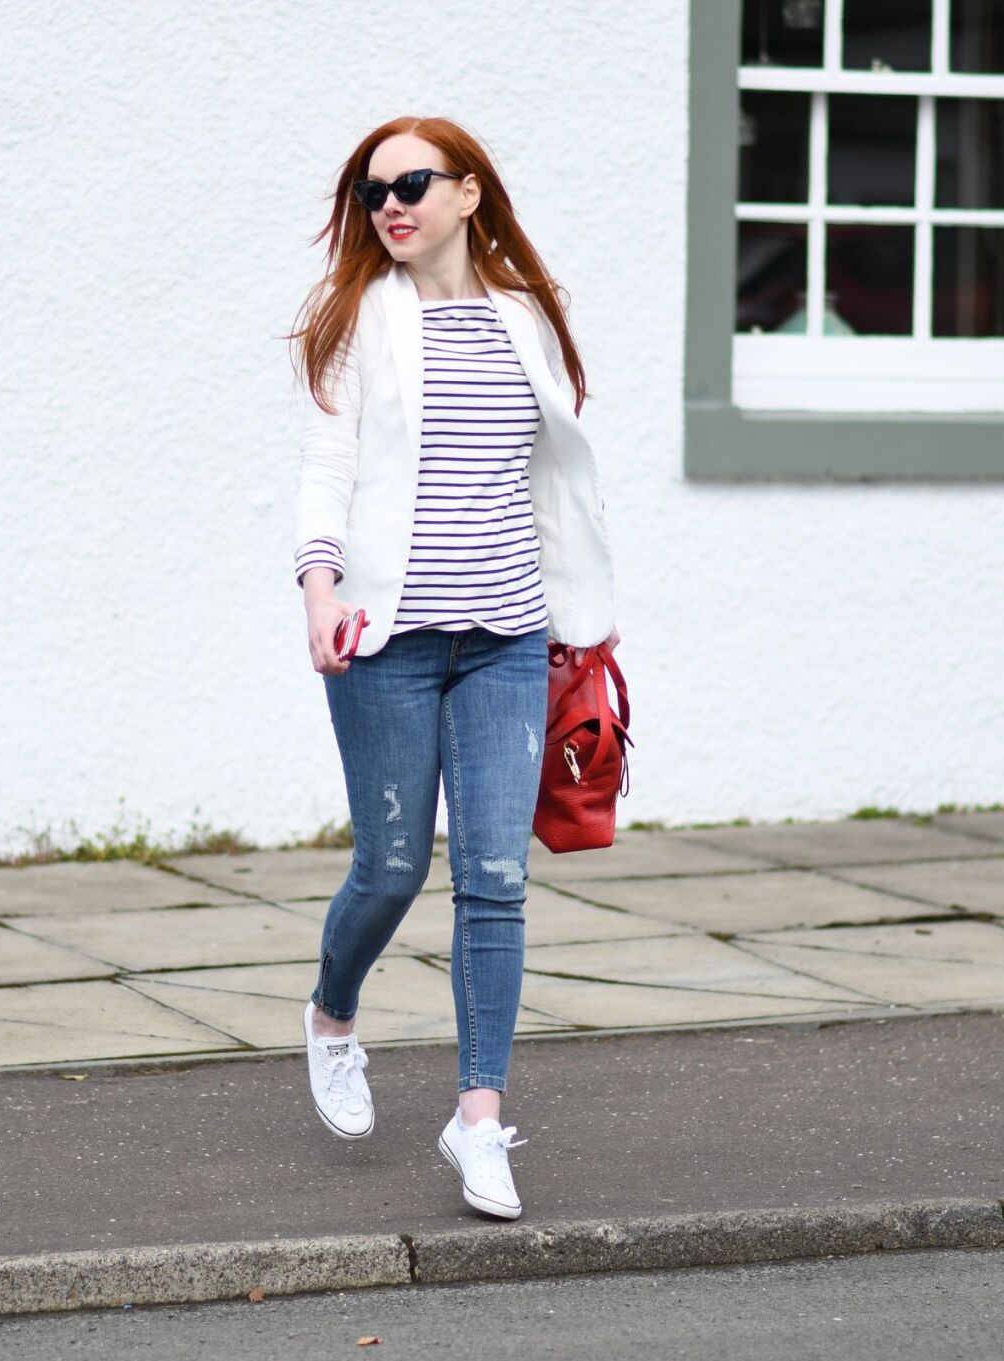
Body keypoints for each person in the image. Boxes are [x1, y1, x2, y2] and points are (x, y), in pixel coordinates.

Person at [290, 115, 618, 1220]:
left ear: (469, 194)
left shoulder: (529, 317)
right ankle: (333, 1012)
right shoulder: (359, 320)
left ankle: (479, 1119)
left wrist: (587, 625)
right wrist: (319, 586)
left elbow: (562, 479)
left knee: (496, 877)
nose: (392, 203)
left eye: (413, 182)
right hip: (387, 640)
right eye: (374, 189)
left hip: (509, 641)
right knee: (389, 867)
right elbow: (327, 468)